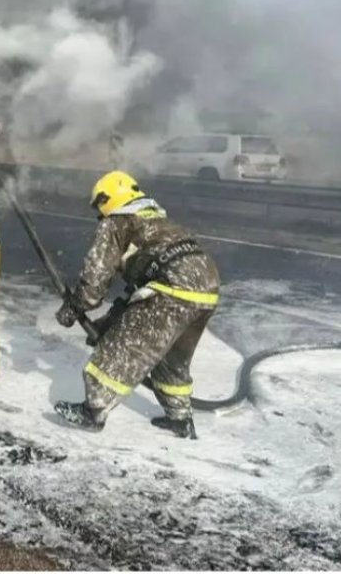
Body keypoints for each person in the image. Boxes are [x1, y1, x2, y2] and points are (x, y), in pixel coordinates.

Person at [53, 170, 220, 438]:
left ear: (107, 199)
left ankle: (92, 412)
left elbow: (95, 277)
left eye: (99, 206)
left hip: (171, 288)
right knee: (172, 359)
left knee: (119, 350)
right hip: (207, 289)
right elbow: (136, 294)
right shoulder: (157, 220)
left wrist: (75, 307)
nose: (99, 215)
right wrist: (110, 321)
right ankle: (180, 418)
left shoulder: (117, 222)